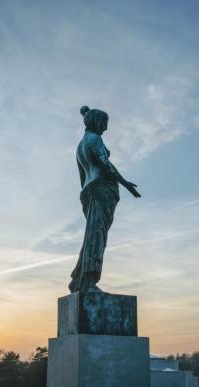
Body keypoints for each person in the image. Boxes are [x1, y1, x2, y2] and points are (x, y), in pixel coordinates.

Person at [69, 106, 141, 293]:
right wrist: (125, 184)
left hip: (89, 191)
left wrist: (88, 194)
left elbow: (82, 178)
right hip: (101, 190)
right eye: (104, 123)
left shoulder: (80, 146)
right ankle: (89, 280)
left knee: (92, 235)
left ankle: (79, 279)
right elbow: (106, 164)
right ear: (96, 122)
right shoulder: (95, 139)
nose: (106, 128)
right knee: (97, 236)